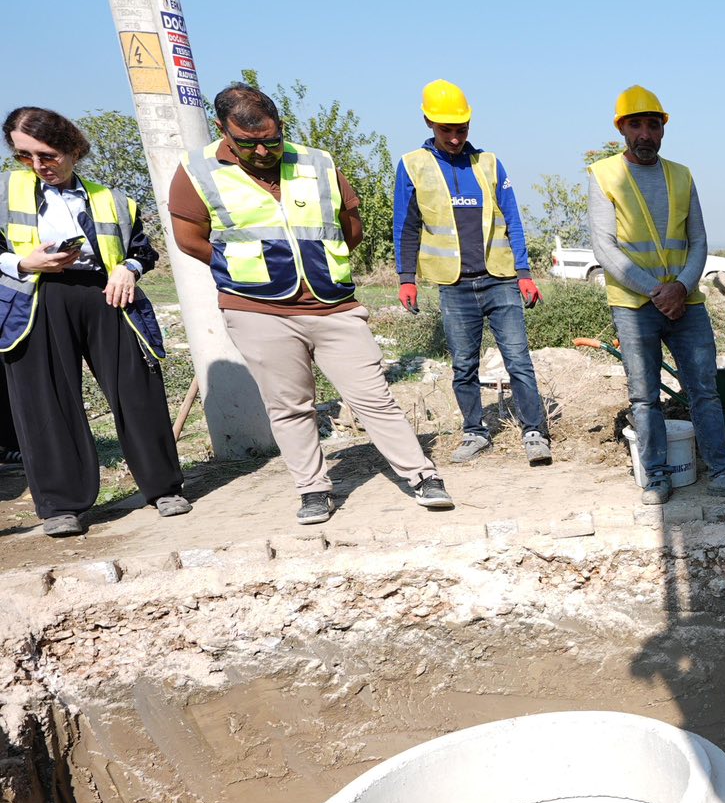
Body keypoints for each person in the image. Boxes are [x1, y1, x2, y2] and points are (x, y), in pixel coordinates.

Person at [171, 84, 452, 525]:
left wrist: (324, 263)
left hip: (333, 305)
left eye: (270, 139)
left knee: (372, 396)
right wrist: (248, 266)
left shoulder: (317, 162)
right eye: (248, 143)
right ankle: (314, 490)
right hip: (257, 308)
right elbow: (189, 238)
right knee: (290, 406)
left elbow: (351, 226)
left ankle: (421, 475)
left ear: (281, 126)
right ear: (225, 133)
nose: (262, 150)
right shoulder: (197, 170)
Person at [1, 106, 187, 536]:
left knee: (137, 389)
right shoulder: (3, 192)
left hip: (107, 294)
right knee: (46, 402)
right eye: (24, 156)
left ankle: (163, 488)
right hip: (35, 301)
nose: (37, 165)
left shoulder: (114, 199)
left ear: (72, 148)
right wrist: (24, 262)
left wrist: (129, 268)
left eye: (46, 154)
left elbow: (143, 250)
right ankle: (62, 507)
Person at [589, 85, 725, 505]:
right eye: (636, 125)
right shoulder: (603, 174)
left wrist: (681, 287)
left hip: (687, 301)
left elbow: (699, 241)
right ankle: (656, 476)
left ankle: (722, 471)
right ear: (622, 129)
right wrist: (654, 291)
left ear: (662, 130)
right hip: (634, 304)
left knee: (705, 389)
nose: (645, 133)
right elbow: (604, 247)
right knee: (644, 395)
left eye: (653, 125)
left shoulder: (681, 174)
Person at [393, 79, 551, 468]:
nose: (454, 138)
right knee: (464, 365)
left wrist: (525, 272)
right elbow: (406, 226)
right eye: (446, 129)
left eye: (461, 129)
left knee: (518, 359)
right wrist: (406, 277)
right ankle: (475, 431)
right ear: (429, 122)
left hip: (500, 281)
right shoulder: (413, 165)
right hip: (455, 287)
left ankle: (535, 432)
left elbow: (512, 219)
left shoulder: (489, 164)